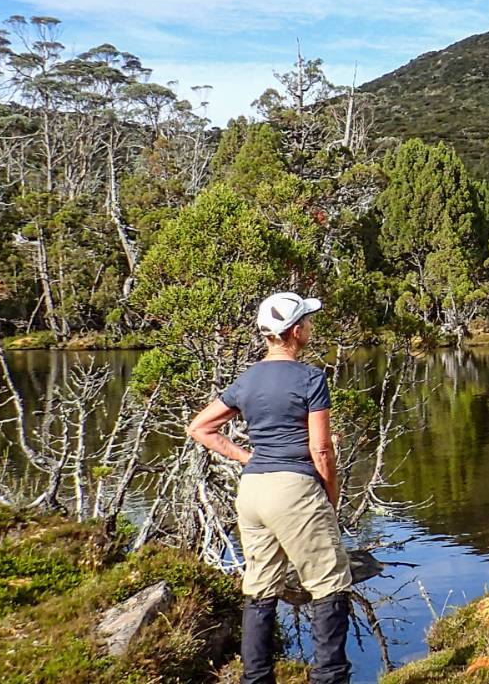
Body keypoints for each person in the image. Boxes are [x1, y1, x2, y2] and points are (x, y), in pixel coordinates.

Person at [187, 291, 351, 684]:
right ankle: (329, 678)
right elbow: (321, 449)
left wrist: (247, 458)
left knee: (259, 589)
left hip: (253, 492)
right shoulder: (311, 378)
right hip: (293, 489)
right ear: (295, 331)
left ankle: (256, 679)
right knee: (330, 583)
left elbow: (200, 428)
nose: (311, 327)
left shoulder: (247, 380)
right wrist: (330, 495)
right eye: (308, 322)